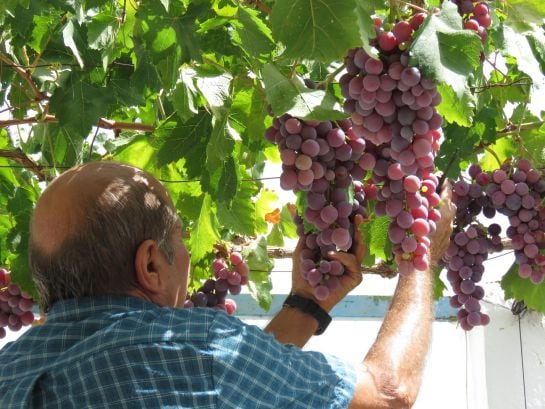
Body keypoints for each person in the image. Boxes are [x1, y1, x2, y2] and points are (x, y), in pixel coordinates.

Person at [0, 161, 454, 408]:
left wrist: (304, 306)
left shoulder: (10, 370)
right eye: (180, 239)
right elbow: (389, 394)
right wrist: (419, 262)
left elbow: (223, 390)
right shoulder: (194, 350)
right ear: (150, 265)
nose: (189, 254)